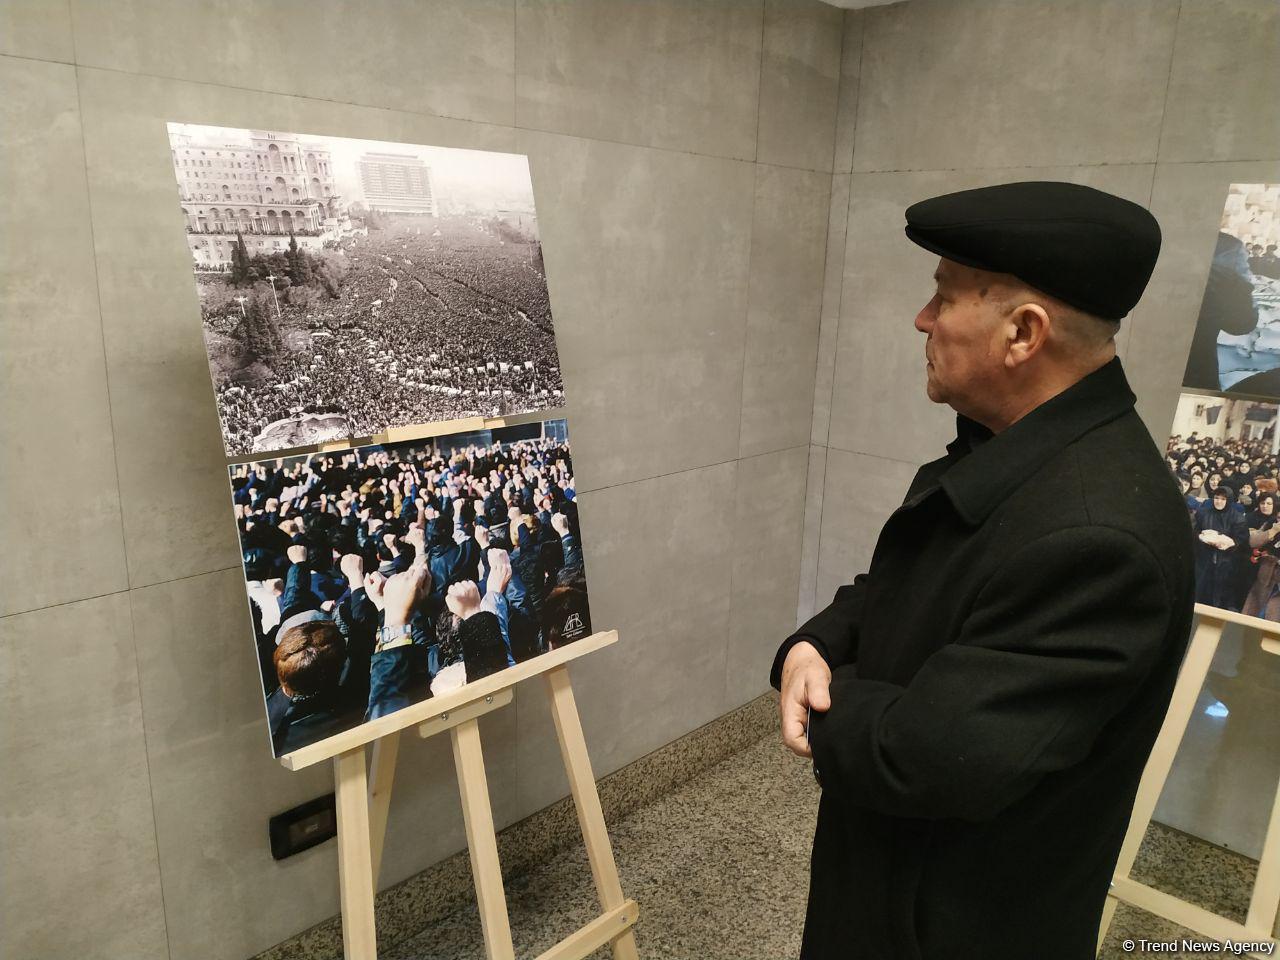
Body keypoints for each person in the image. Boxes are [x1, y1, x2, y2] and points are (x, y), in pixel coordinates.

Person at [771, 181, 1195, 960]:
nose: (922, 320)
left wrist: (823, 698)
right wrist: (815, 644)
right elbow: (905, 589)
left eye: (943, 297)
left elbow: (929, 756)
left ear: (1023, 333)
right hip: (896, 883)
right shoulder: (1014, 448)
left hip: (949, 924)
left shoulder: (1099, 537)